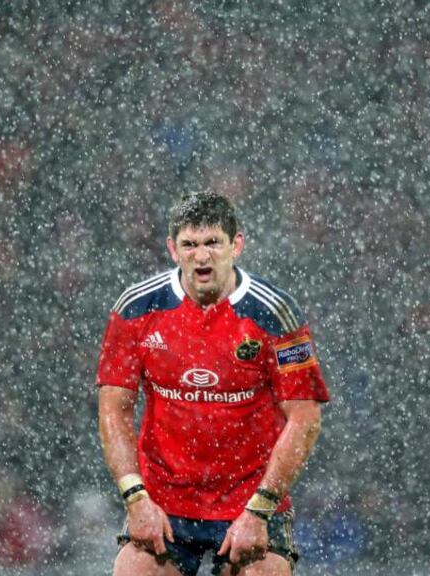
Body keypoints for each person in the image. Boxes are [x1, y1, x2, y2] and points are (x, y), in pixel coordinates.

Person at [96, 191, 330, 576]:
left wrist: (260, 508)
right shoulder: (137, 308)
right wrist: (135, 497)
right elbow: (113, 410)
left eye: (212, 244)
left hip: (250, 499)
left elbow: (305, 418)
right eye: (189, 245)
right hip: (164, 500)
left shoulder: (274, 315)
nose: (201, 257)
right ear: (173, 249)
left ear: (236, 245)